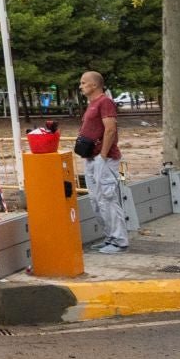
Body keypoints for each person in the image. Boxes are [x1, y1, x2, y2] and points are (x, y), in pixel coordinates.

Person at [77, 70, 127, 254]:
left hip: (103, 158)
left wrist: (103, 156)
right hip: (92, 158)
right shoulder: (92, 104)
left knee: (107, 198)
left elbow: (110, 129)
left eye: (83, 82)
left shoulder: (104, 103)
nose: (81, 86)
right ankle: (110, 237)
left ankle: (119, 240)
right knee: (96, 200)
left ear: (94, 84)